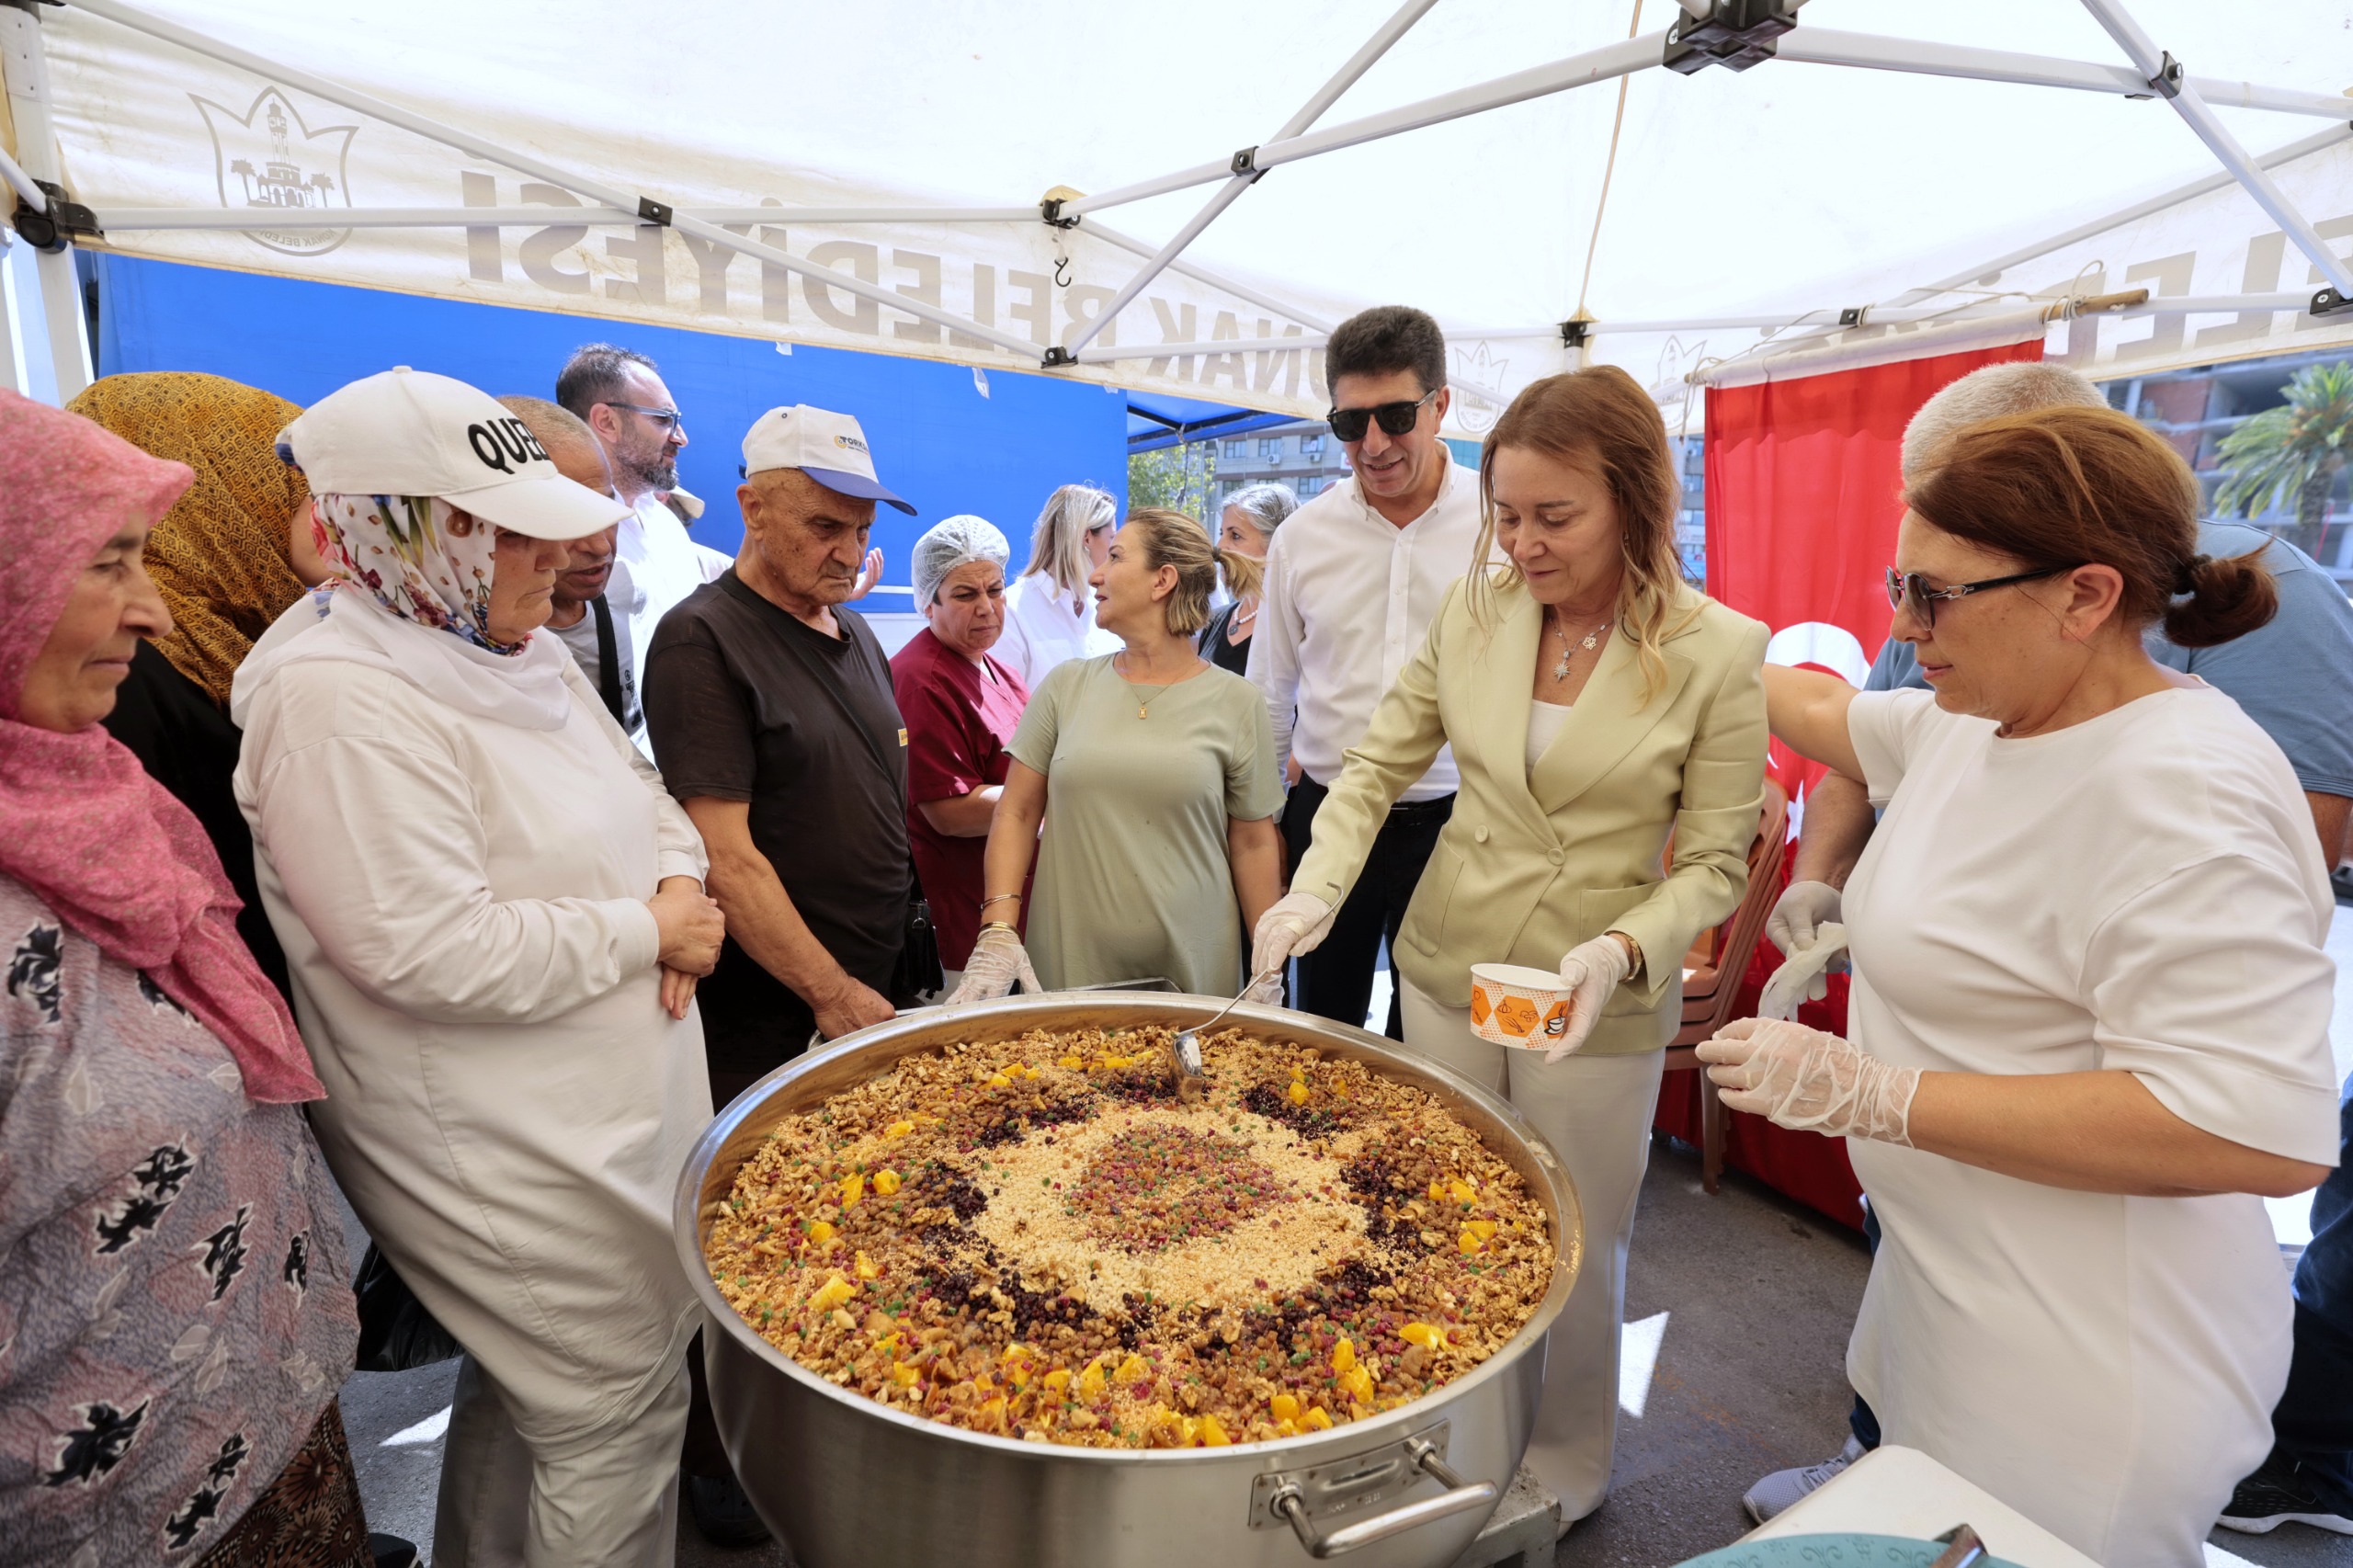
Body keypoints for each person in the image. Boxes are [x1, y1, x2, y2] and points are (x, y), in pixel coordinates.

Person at [1704, 403, 2338, 1567]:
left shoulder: (2182, 792)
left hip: (2090, 1355)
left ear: (2084, 596)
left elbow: (2253, 1128)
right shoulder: (1981, 715)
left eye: (1932, 596)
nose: (1901, 627)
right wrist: (1643, 594)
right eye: (1899, 585)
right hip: (1953, 1289)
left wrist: (1876, 1096)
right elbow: (1815, 709)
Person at [1250, 365, 1768, 1526]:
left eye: (1555, 518)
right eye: (1507, 515)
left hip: (1593, 985)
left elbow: (1716, 862)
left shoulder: (1718, 650)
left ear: (1636, 501)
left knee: (1576, 1235)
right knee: (1432, 1210)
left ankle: (1567, 1460)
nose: (1523, 543)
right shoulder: (1478, 607)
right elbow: (1377, 763)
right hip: (1449, 956)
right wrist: (1315, 890)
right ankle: (1433, 1433)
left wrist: (1622, 950)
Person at [232, 369, 724, 1568]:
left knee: (551, 1406)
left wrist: (676, 881)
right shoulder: (336, 694)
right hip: (506, 1141)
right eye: (518, 536)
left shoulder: (506, 643)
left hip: (601, 1116)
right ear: (419, 534)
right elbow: (421, 946)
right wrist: (646, 931)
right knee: (611, 1419)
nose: (554, 566)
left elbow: (641, 787)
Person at [0, 388, 369, 1567]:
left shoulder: (90, 778)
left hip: (267, 1417)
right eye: (104, 563)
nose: (152, 609)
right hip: (105, 1517)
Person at [643, 403, 921, 1090]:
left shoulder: (853, 633)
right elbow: (726, 858)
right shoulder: (701, 640)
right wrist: (830, 992)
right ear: (753, 508)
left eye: (862, 529)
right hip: (784, 1011)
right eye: (825, 526)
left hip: (875, 985)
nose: (852, 554)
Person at [1250, 306, 1488, 1039]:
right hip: (1327, 815)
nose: (1374, 444)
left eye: (1394, 416)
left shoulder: (1498, 522)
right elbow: (1270, 694)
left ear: (1440, 403)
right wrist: (1265, 825)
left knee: (1436, 1034)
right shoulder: (1302, 536)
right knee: (1318, 1029)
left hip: (1459, 822)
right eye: (1351, 424)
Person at [67, 371, 328, 1003]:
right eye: (301, 488)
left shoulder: (240, 647)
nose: (331, 515)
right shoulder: (118, 679)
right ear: (223, 498)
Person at [953, 507, 1285, 1000]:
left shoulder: (1237, 702)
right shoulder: (1066, 687)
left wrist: (1266, 966)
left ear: (1162, 581)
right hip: (1070, 961)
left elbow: (1253, 842)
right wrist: (998, 929)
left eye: (1114, 557)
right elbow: (1018, 812)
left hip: (1197, 966)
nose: (1095, 574)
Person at [890, 515, 1030, 989]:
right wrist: (1050, 799)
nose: (987, 608)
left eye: (995, 589)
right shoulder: (922, 679)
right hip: (963, 916)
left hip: (1006, 903)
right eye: (966, 595)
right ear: (929, 603)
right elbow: (947, 812)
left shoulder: (998, 669)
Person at [499, 395, 638, 733]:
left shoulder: (627, 587)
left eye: (605, 509)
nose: (600, 545)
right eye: (564, 516)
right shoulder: (479, 653)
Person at [995, 482, 1119, 687]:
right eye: (1112, 537)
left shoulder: (1106, 605)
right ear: (1087, 538)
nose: (1115, 548)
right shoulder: (1012, 611)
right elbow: (1006, 706)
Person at [1199, 482, 1296, 676]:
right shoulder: (1215, 620)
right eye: (1221, 533)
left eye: (1235, 536)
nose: (1219, 546)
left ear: (1275, 544)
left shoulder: (1295, 623)